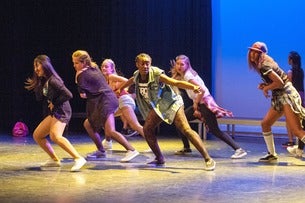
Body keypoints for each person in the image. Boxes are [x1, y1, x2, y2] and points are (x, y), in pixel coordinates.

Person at [118, 53, 216, 171]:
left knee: (186, 130)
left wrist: (192, 87)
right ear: (137, 64)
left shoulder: (156, 74)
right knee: (147, 129)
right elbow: (131, 81)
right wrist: (120, 88)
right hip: (158, 107)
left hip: (172, 103)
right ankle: (159, 158)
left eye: (147, 63)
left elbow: (175, 83)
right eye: (142, 64)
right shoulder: (137, 75)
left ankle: (208, 159)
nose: (145, 66)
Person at [170, 55, 247, 159]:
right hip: (200, 103)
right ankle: (186, 147)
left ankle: (239, 149)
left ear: (187, 65)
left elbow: (201, 90)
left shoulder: (188, 76)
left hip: (204, 103)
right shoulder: (184, 75)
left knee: (214, 129)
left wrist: (196, 104)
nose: (179, 66)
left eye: (182, 64)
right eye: (178, 64)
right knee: (179, 120)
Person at [72, 50, 139, 162]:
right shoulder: (94, 68)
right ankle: (101, 150)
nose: (74, 66)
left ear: (84, 62)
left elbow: (82, 95)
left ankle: (131, 150)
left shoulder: (81, 74)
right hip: (108, 100)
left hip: (105, 102)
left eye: (76, 63)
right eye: (73, 63)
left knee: (110, 131)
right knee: (88, 124)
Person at [24, 55, 86, 172]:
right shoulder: (46, 81)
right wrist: (38, 84)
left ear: (45, 65)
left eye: (38, 65)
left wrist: (55, 102)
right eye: (34, 67)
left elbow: (68, 94)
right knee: (37, 135)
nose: (36, 69)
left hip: (62, 110)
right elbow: (39, 98)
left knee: (55, 136)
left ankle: (78, 158)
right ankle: (54, 160)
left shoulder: (53, 80)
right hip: (55, 111)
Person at [247, 41, 305, 162]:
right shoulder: (263, 63)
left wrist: (266, 88)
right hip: (280, 96)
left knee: (297, 130)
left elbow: (280, 82)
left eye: (256, 52)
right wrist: (266, 85)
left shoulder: (264, 65)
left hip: (286, 96)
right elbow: (276, 81)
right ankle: (272, 155)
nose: (252, 54)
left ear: (261, 53)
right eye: (252, 50)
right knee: (265, 124)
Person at [100, 58, 146, 149]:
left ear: (112, 69)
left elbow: (127, 80)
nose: (104, 68)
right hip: (120, 103)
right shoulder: (105, 80)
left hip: (125, 101)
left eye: (106, 66)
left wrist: (122, 88)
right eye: (102, 66)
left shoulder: (111, 76)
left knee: (135, 125)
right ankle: (108, 142)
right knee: (106, 118)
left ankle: (151, 142)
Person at [285, 51, 305, 157]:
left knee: (291, 121)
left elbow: (288, 86)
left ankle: (291, 141)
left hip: (294, 97)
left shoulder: (290, 72)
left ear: (291, 60)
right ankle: (299, 149)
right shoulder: (301, 71)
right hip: (302, 96)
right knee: (302, 123)